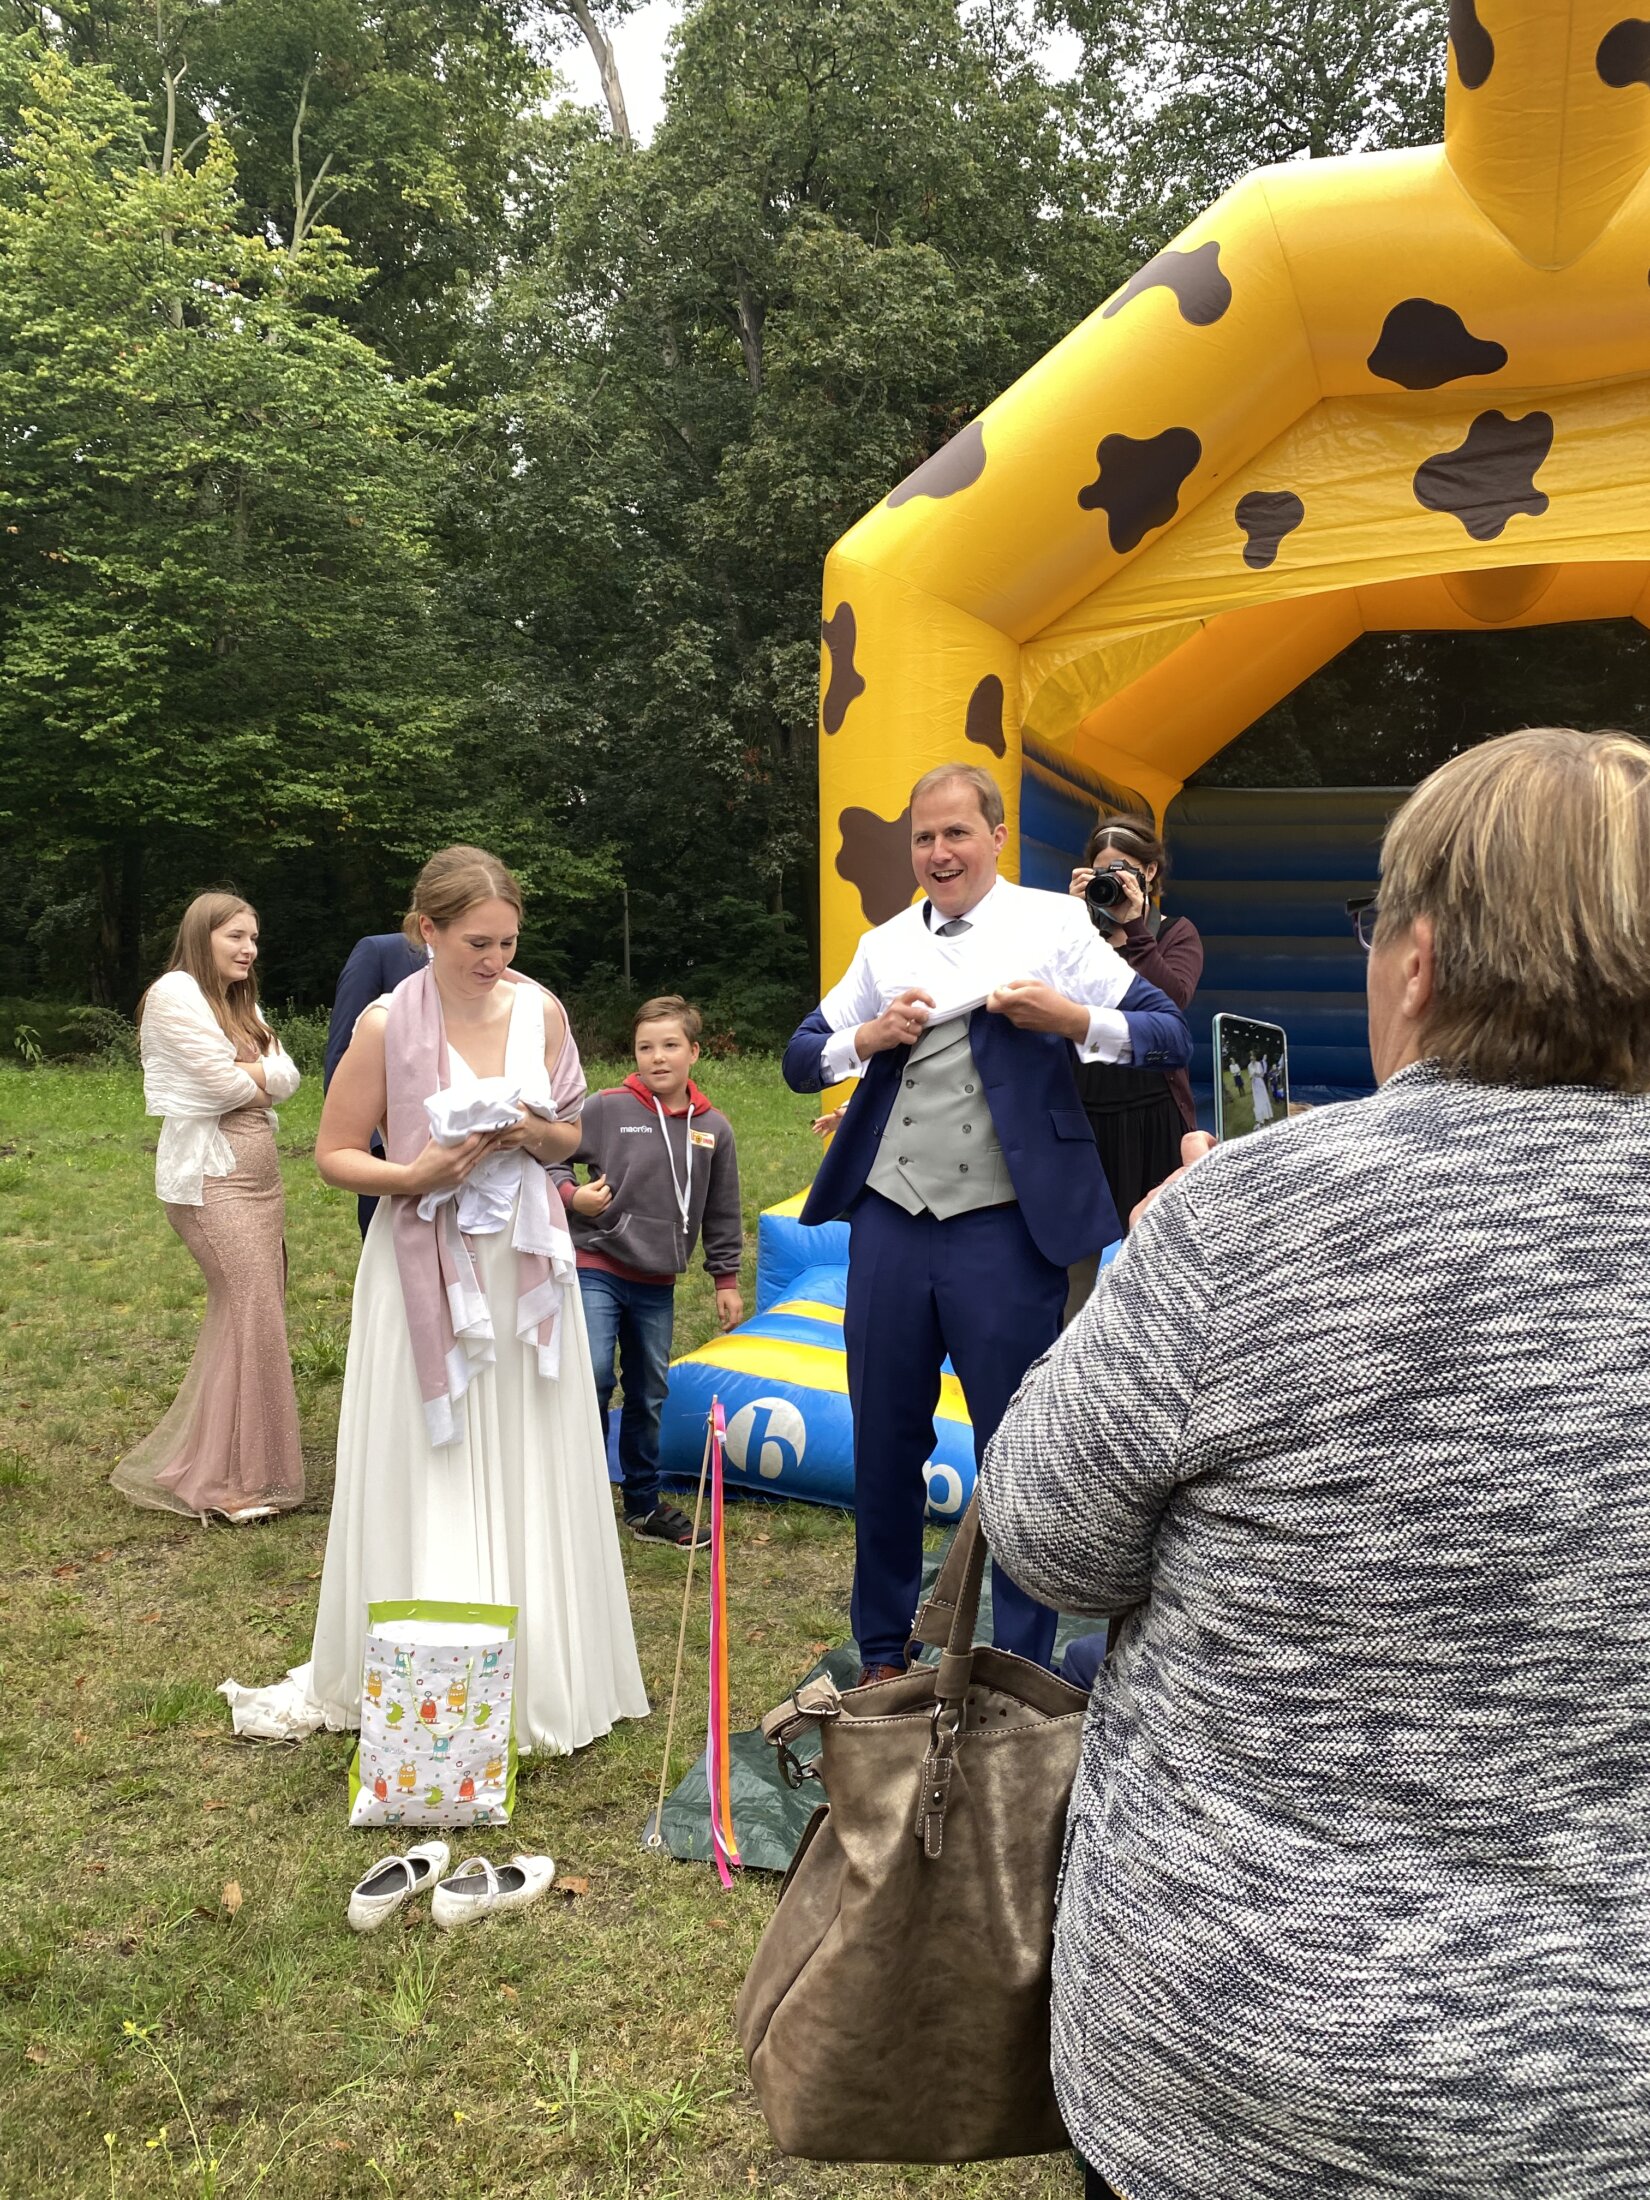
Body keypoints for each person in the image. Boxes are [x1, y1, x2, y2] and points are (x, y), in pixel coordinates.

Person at [978, 726, 1650, 2200]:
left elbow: (1045, 1536)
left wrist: (1159, 1262)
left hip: (1239, 2069)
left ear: (1418, 960)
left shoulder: (1247, 1219)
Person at [783, 763, 1191, 1683]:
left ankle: (1016, 1670)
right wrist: (866, 1039)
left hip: (1006, 1228)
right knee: (884, 1440)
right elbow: (801, 1059)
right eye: (924, 837)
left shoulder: (1054, 925)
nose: (939, 853)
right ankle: (882, 1653)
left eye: (957, 833)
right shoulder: (885, 944)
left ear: (997, 838)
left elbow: (1166, 1032)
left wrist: (1071, 1017)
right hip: (890, 1222)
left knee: (1018, 1450)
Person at [304, 845, 648, 1754]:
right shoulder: (385, 1025)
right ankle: (429, 1682)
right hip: (421, 1262)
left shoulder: (542, 1010)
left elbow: (572, 1135)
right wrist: (414, 1174)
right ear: (428, 931)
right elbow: (334, 1152)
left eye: (507, 943)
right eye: (476, 944)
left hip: (523, 1264)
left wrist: (534, 1132)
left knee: (528, 1443)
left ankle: (538, 1670)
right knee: (434, 1454)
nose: (495, 960)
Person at [113, 894, 305, 1523]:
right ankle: (231, 1482)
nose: (249, 949)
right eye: (235, 937)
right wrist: (255, 1074)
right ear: (203, 937)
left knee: (253, 1312)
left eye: (254, 938)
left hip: (261, 1186)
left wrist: (253, 1073)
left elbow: (291, 1076)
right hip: (211, 1184)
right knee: (253, 1312)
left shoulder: (239, 1002)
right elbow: (222, 1085)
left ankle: (221, 1462)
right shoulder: (175, 993)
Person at [552, 994, 745, 1550]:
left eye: (670, 1046)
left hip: (658, 1281)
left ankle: (642, 1505)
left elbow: (722, 1209)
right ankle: (577, 1498)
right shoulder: (606, 1107)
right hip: (597, 1262)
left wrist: (726, 1279)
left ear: (694, 1053)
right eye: (645, 1047)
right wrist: (571, 1196)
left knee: (648, 1391)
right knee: (592, 1374)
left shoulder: (714, 1128)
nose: (657, 1057)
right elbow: (551, 1156)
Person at [1066, 812, 1203, 1226]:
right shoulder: (1076, 935)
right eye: (1102, 871)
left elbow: (1172, 1001)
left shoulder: (1175, 932)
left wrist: (1136, 929)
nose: (1112, 880)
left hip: (1154, 1111)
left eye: (1123, 870)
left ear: (1150, 872)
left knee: (1157, 1233)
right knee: (1080, 1241)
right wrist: (1070, 920)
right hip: (1085, 1108)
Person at [324, 927, 426, 1238]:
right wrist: (374, 1146)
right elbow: (343, 1052)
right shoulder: (381, 952)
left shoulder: (492, 965)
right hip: (385, 1155)